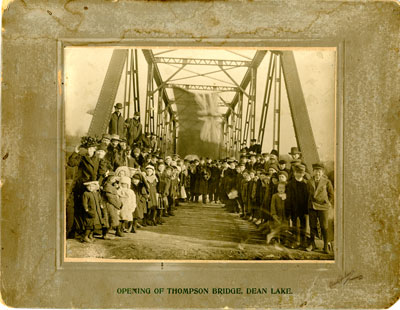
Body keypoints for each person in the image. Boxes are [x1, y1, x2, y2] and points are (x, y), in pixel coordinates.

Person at [307, 162, 334, 253]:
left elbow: (331, 194)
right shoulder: (309, 181)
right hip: (312, 206)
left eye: (319, 171)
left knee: (324, 226)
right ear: (313, 172)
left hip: (323, 207)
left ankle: (325, 245)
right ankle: (312, 244)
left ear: (322, 172)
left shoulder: (327, 182)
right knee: (312, 226)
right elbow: (307, 194)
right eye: (316, 171)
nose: (317, 173)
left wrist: (328, 202)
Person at [285, 163, 309, 249]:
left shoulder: (306, 184)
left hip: (303, 208)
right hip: (294, 208)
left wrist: (307, 210)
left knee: (303, 225)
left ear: (304, 173)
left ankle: (303, 242)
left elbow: (308, 198)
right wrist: (288, 210)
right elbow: (288, 198)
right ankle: (295, 241)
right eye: (298, 172)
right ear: (294, 173)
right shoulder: (290, 184)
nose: (299, 174)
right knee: (294, 225)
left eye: (301, 173)